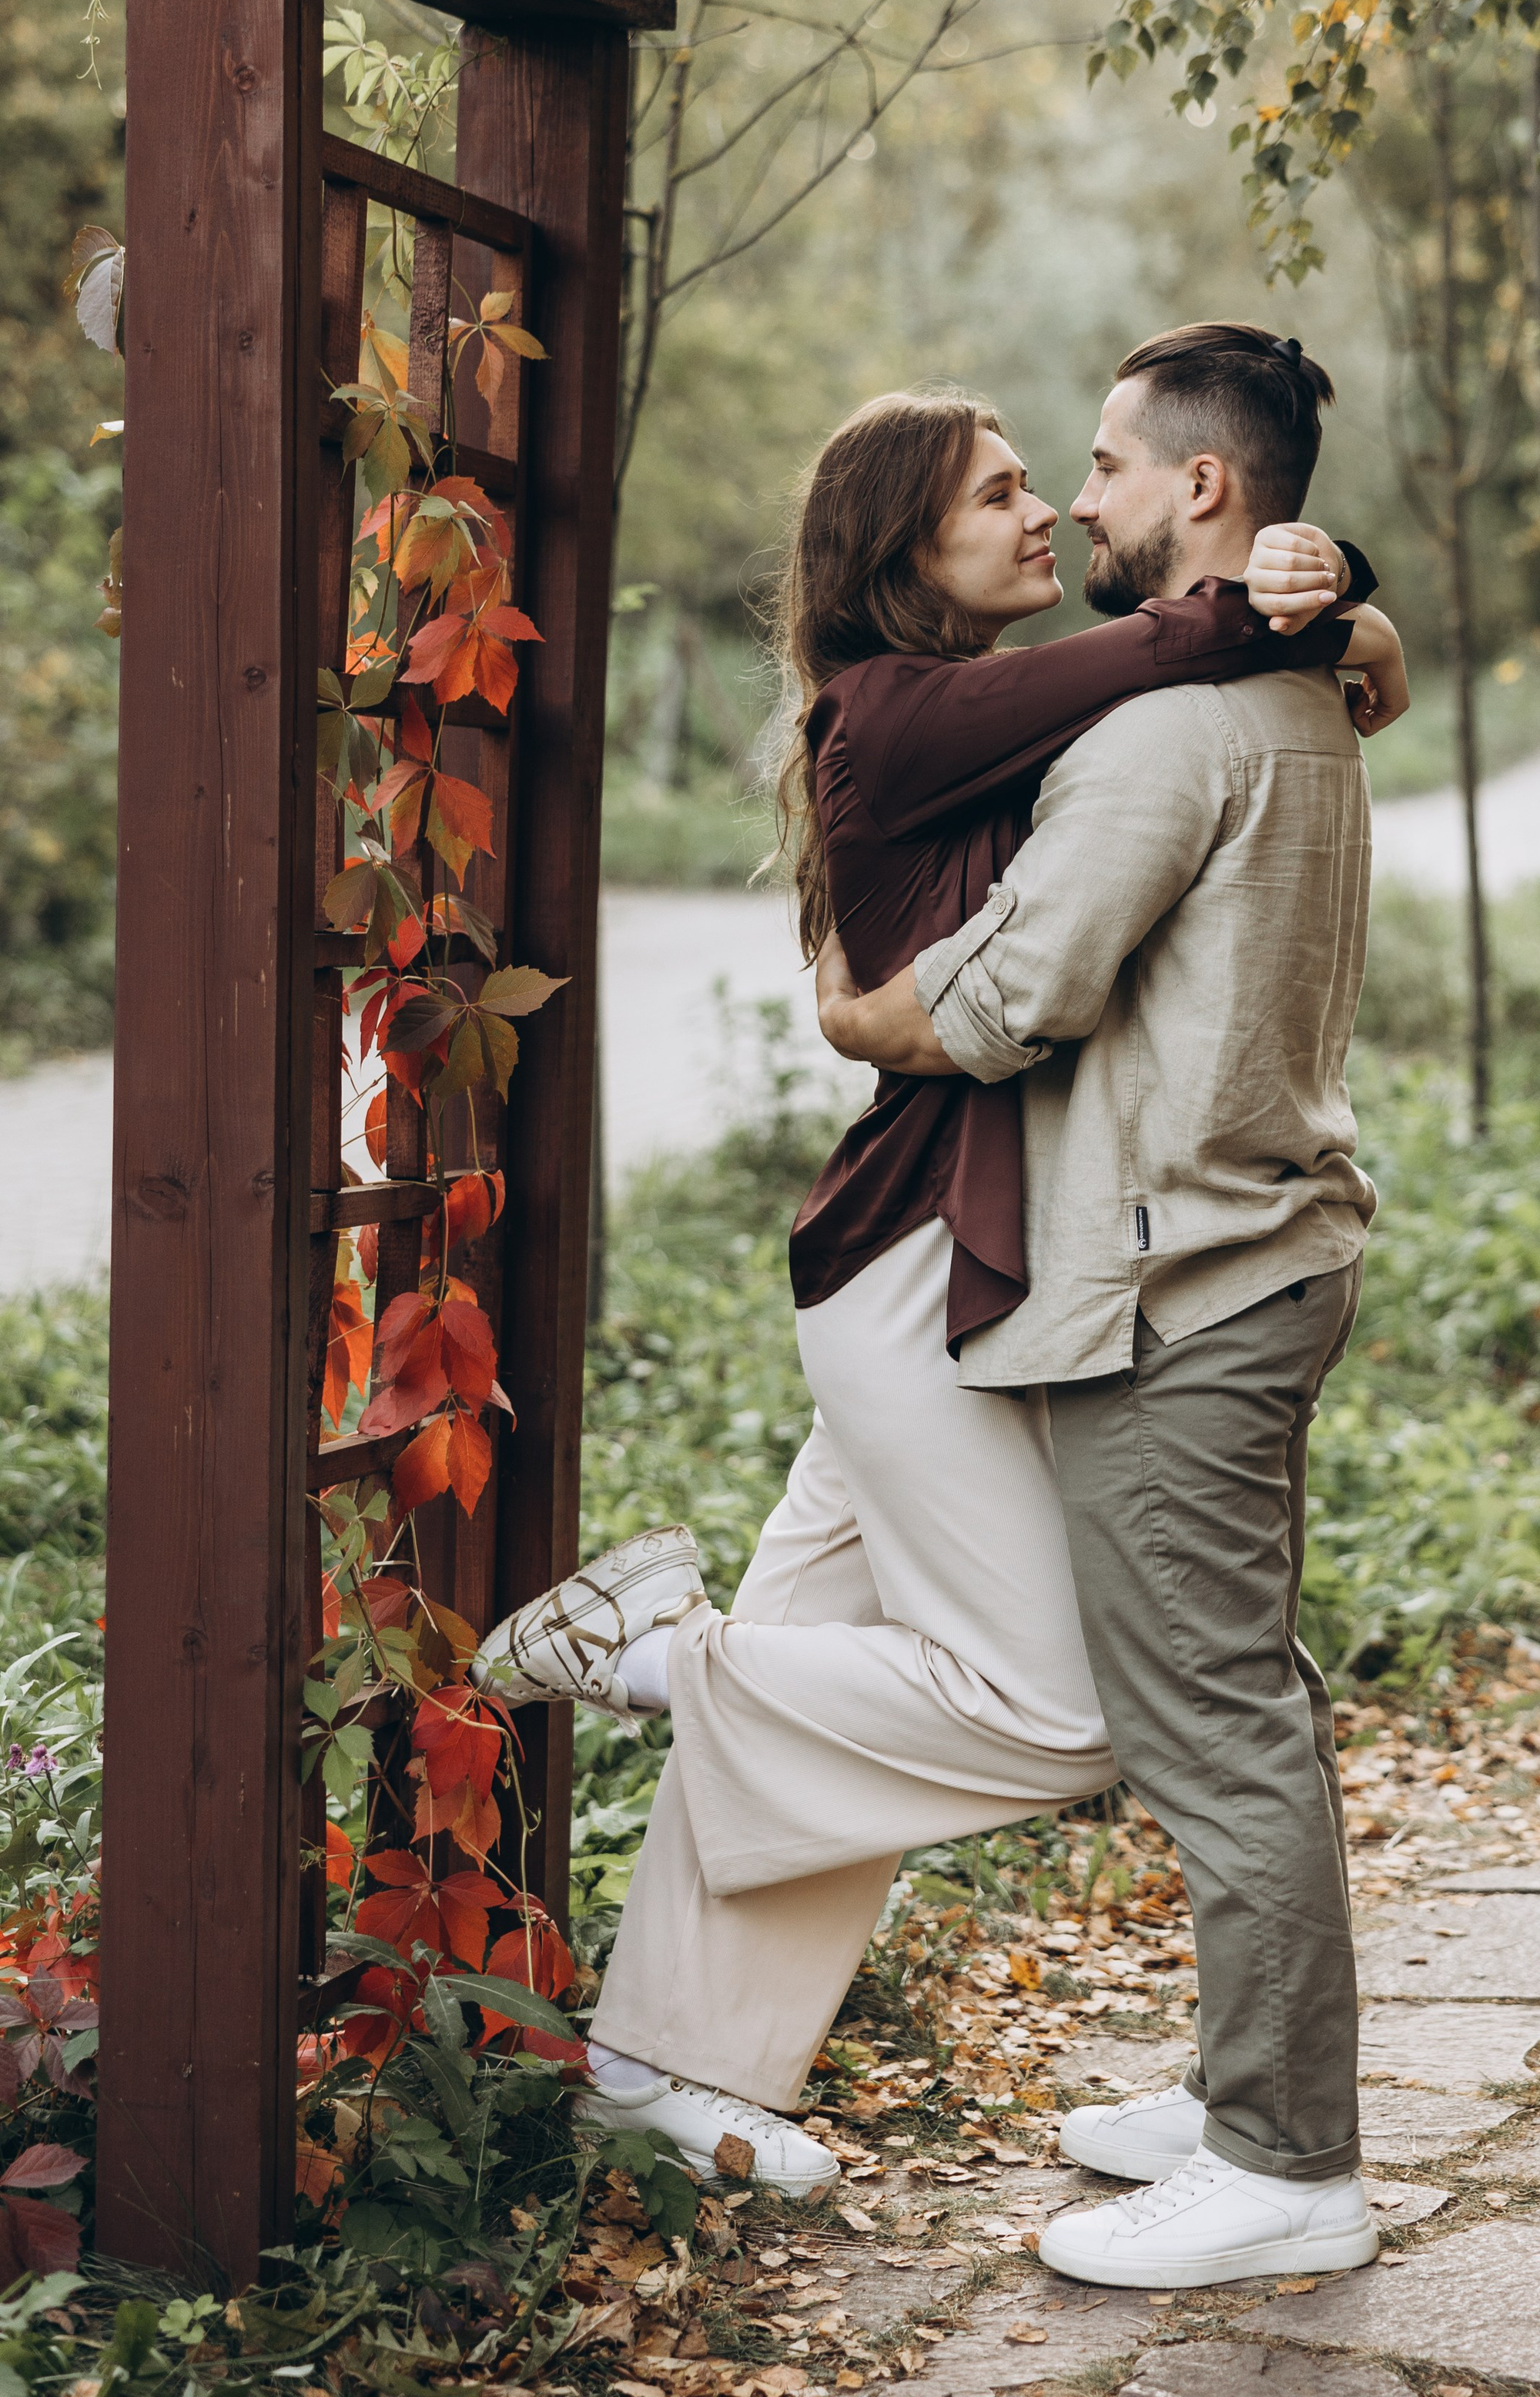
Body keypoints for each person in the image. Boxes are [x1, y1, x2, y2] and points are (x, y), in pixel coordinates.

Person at [471, 359, 1406, 2206]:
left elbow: (1211, 674)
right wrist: (1315, 600)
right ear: (901, 552)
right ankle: (640, 1648)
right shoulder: (898, 714)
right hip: (916, 1255)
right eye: (996, 492)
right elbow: (1164, 661)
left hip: (943, 1242)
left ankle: (658, 2065)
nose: (1046, 506)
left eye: (1057, 474)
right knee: (1045, 1708)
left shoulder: (991, 710)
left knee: (816, 1671)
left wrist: (1347, 604)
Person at [816, 322, 1395, 2288]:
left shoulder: (1161, 733)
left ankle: (1283, 2163)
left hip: (1187, 1282)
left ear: (1204, 492)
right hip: (1258, 1244)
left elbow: (1006, 998)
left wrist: (866, 1010)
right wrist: (1346, 602)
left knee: (1214, 1722)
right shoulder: (1290, 694)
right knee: (1228, 1703)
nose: (1077, 500)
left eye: (1104, 468)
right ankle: (1252, 2085)